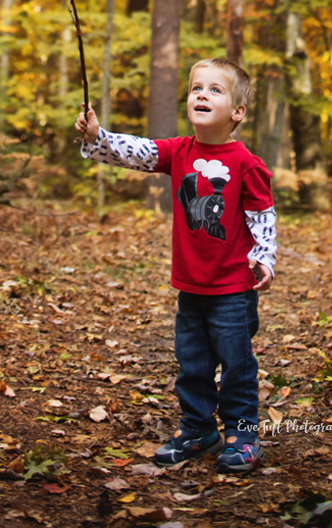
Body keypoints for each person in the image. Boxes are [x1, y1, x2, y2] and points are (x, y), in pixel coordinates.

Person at [73, 58, 277, 473]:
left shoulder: (246, 163)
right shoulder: (179, 151)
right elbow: (138, 151)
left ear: (237, 112)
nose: (201, 94)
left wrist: (263, 257)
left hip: (233, 290)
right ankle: (199, 428)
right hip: (191, 286)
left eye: (214, 90)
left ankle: (242, 434)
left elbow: (262, 216)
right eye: (195, 88)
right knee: (193, 363)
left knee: (236, 364)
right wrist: (99, 135)